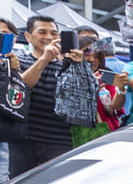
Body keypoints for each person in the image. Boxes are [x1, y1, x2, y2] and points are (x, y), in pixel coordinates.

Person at [11, 16, 96, 174]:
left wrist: (79, 66)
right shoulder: (19, 62)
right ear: (28, 37)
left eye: (54, 33)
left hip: (60, 141)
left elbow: (86, 99)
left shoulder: (69, 65)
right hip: (24, 141)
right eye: (42, 32)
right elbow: (21, 87)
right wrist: (44, 59)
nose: (49, 37)